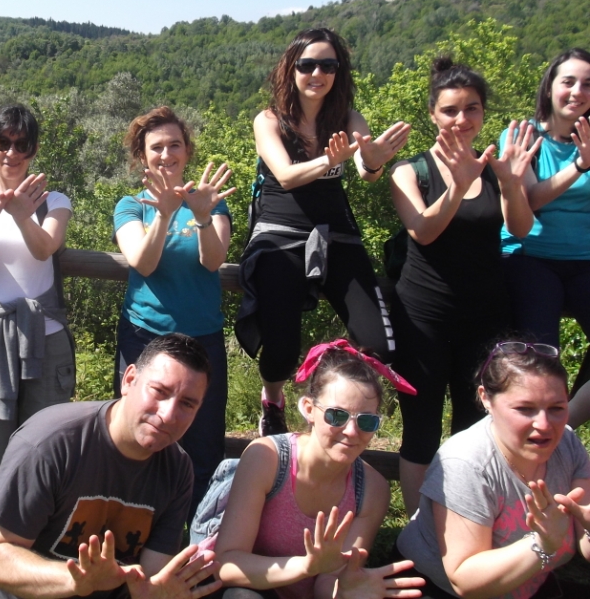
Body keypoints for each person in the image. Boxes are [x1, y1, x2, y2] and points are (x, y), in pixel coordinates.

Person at [237, 28, 411, 437]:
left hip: (336, 232)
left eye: (328, 65)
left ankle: (328, 385)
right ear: (291, 69)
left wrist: (372, 162)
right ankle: (274, 401)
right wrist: (329, 162)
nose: (318, 73)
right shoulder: (269, 119)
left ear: (339, 71)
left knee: (378, 344)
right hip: (279, 233)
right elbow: (285, 174)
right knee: (279, 345)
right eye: (308, 64)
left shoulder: (347, 117)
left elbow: (367, 172)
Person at [389, 58, 540, 514]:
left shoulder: (497, 168)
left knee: (476, 425)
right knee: (421, 428)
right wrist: (456, 186)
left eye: (471, 109)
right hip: (423, 317)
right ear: (433, 114)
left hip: (486, 316)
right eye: (451, 110)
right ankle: (419, 536)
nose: (461, 119)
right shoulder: (409, 171)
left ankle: (467, 524)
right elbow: (422, 231)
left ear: (482, 113)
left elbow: (522, 226)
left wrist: (512, 185)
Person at [0, 333, 221, 599]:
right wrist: (76, 580)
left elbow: (150, 575)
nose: (168, 415)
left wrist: (152, 593)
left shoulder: (177, 470)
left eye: (187, 404)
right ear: (129, 379)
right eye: (160, 391)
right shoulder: (50, 445)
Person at [211, 340, 424, 599]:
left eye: (366, 421)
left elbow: (327, 585)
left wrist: (345, 591)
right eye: (337, 416)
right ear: (309, 410)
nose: (351, 432)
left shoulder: (372, 490)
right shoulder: (267, 458)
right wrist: (305, 566)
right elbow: (228, 564)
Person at [396, 341, 590, 599]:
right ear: (486, 398)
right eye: (525, 409)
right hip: (434, 587)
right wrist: (542, 543)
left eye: (556, 408)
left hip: (527, 583)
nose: (544, 425)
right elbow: (465, 580)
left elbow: (585, 542)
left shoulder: (567, 444)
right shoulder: (464, 463)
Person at [0, 105, 75, 512]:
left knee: (45, 442)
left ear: (34, 149)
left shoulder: (54, 200)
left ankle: (37, 537)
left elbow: (44, 248)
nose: (11, 153)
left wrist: (22, 215)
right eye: (3, 143)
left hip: (47, 338)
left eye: (21, 144)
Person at [113, 106, 234, 512]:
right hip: (145, 337)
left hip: (202, 339)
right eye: (157, 147)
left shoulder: (210, 202)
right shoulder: (130, 205)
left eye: (175, 145)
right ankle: (136, 528)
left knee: (203, 445)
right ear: (142, 157)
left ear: (188, 151)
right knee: (140, 436)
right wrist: (163, 214)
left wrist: (201, 215)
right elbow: (142, 262)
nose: (167, 154)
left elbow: (213, 260)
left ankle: (197, 541)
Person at [501, 49, 590, 391]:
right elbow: (531, 200)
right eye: (568, 82)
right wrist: (580, 165)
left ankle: (566, 420)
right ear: (550, 87)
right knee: (542, 358)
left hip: (584, 260)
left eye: (587, 84)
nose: (577, 92)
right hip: (531, 257)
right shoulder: (525, 138)